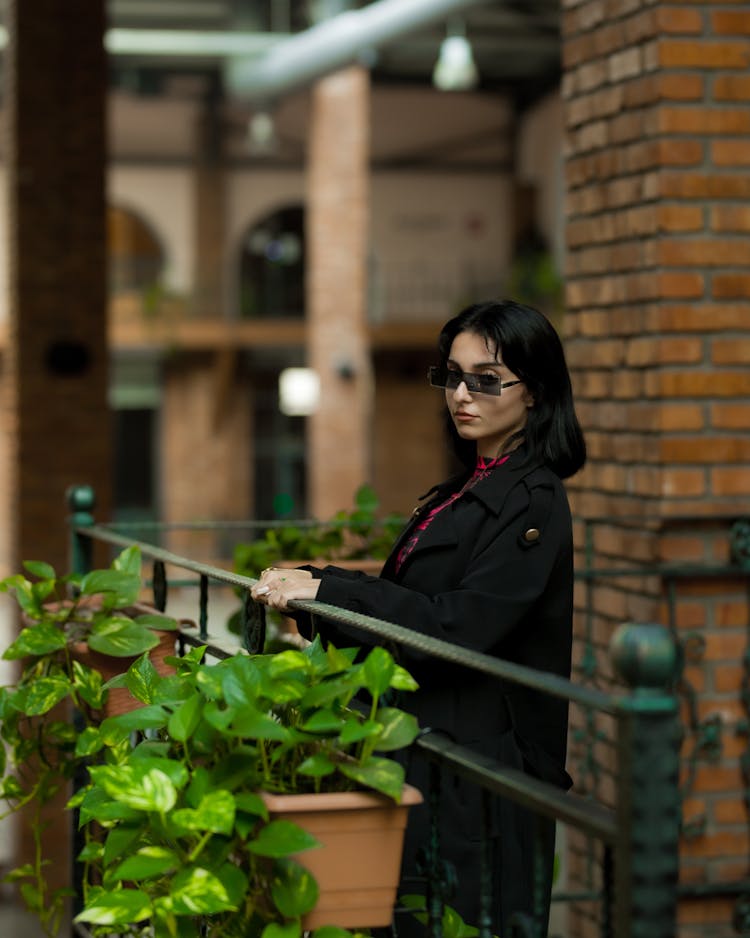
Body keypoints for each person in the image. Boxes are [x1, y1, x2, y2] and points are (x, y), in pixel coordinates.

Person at [251, 299, 586, 936]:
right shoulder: (467, 487)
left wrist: (327, 595)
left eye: (486, 379)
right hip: (435, 748)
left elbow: (453, 627)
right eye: (452, 375)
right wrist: (324, 581)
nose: (462, 394)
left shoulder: (532, 498)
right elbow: (415, 595)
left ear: (536, 392)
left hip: (480, 771)